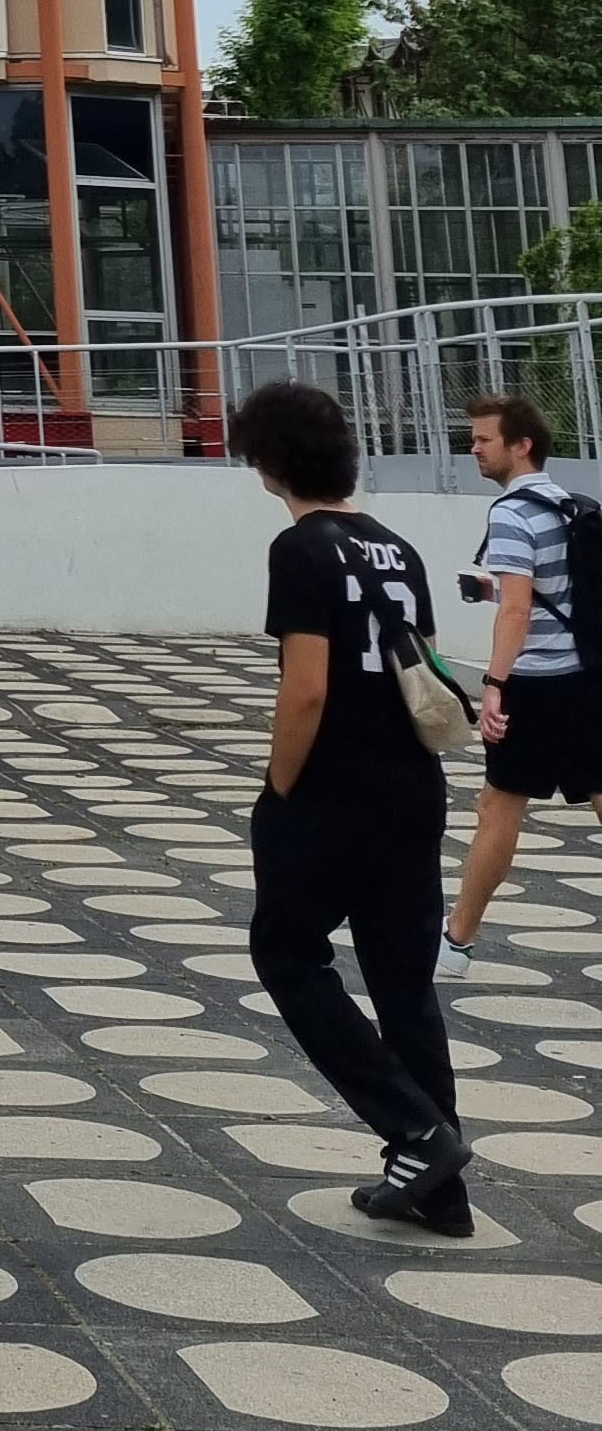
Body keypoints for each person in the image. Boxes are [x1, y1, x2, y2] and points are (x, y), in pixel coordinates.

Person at [232, 377, 472, 1235]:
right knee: (404, 983)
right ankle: (439, 1190)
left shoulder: (299, 551)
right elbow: (432, 674)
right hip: (413, 787)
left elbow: (305, 692)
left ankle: (411, 1128)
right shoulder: (398, 549)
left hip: (333, 789)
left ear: (266, 461)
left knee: (288, 955)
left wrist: (279, 787)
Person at [438, 391, 602, 980]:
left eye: (484, 440)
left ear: (520, 445)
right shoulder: (568, 504)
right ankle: (457, 936)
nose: (473, 449)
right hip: (587, 678)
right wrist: (490, 590)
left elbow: (516, 613)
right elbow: (548, 594)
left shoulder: (510, 512)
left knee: (498, 807)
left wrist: (493, 686)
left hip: (534, 684)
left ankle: (457, 940)